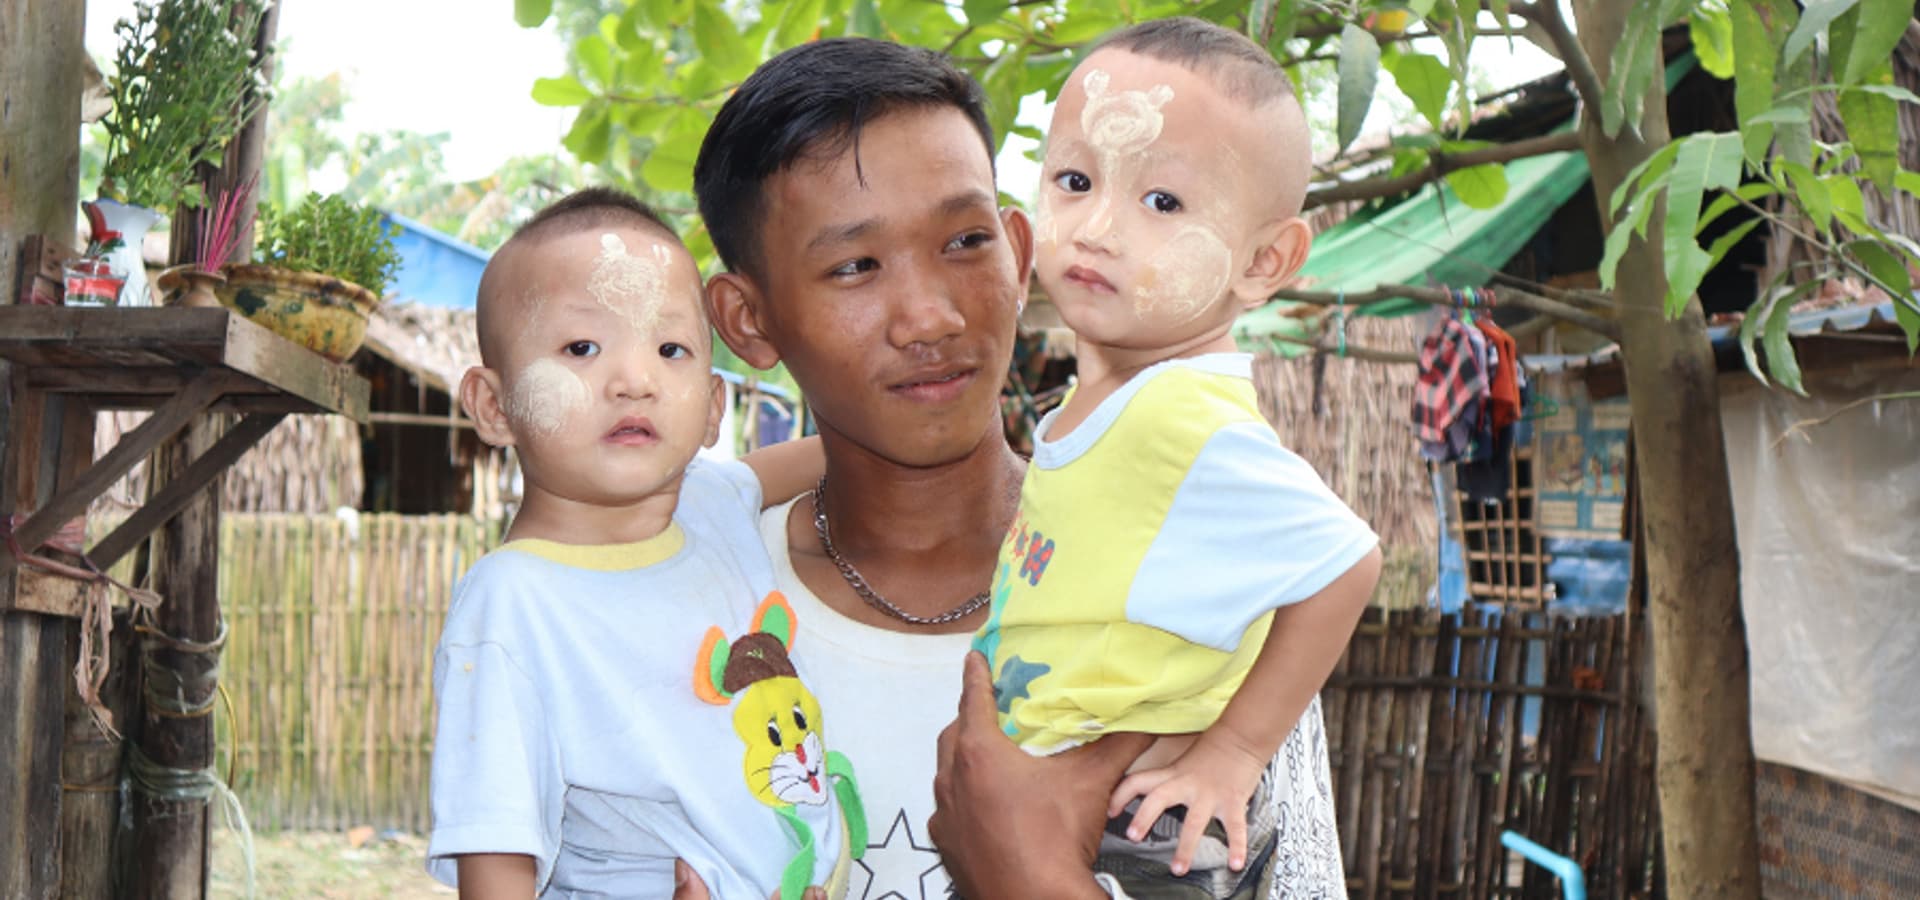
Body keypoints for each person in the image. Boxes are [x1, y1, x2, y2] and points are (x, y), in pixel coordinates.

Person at [968, 17, 1382, 898]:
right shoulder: (1111, 403)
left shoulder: (1180, 415)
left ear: (1265, 260)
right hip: (1062, 806)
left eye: (1164, 203)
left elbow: (1347, 560)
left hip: (1138, 840)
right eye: (1075, 181)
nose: (1098, 227)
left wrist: (1233, 751)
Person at [426, 188, 859, 900]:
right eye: (582, 347)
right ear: (494, 406)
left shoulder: (713, 504)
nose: (635, 379)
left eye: (670, 348)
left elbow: (852, 446)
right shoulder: (514, 605)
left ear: (714, 405)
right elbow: (496, 854)